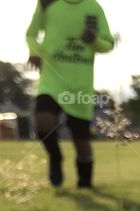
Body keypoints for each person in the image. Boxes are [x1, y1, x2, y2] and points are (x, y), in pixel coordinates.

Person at [26, 0, 115, 188]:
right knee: (42, 119)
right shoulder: (47, 3)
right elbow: (31, 34)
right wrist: (34, 51)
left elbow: (108, 43)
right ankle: (55, 156)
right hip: (51, 80)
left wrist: (94, 41)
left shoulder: (94, 7)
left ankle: (85, 183)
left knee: (82, 143)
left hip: (80, 85)